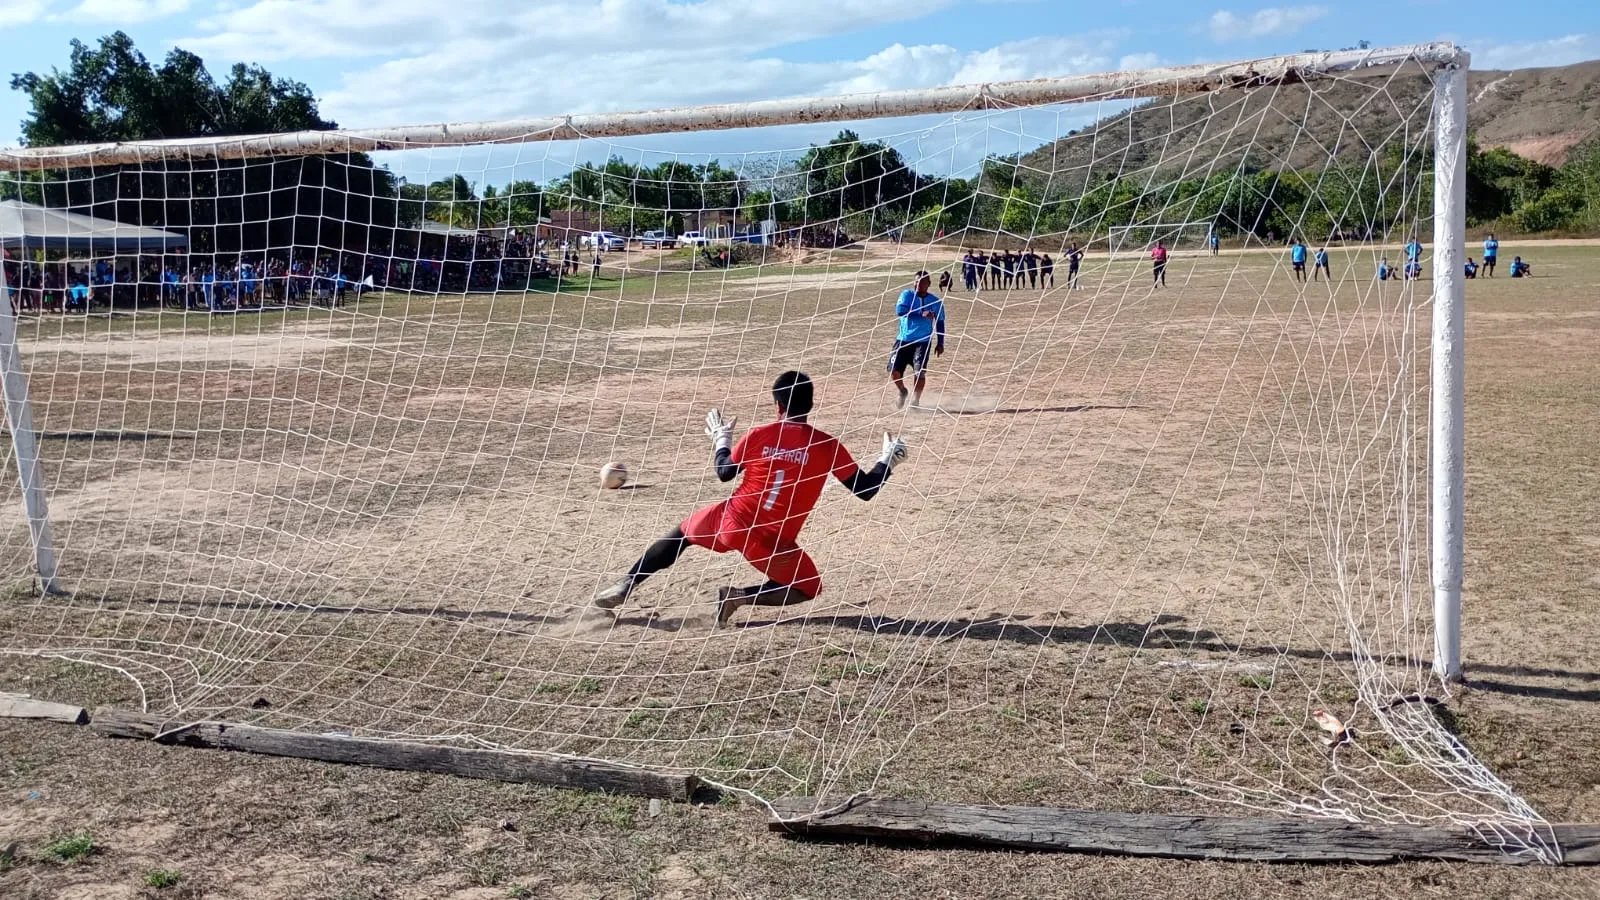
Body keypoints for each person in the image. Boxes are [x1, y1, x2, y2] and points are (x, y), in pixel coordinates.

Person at [591, 371, 909, 626]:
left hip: (733, 519)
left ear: (778, 406)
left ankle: (626, 584)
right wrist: (887, 460)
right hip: (772, 542)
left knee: (682, 535)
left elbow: (725, 473)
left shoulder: (758, 435)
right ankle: (738, 597)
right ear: (811, 404)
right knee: (808, 588)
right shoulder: (828, 446)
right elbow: (866, 491)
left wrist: (721, 440)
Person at [888, 271, 946, 409]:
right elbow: (900, 311)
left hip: (923, 342)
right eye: (916, 281)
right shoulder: (907, 295)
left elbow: (940, 322)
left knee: (920, 372)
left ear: (929, 284)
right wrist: (921, 313)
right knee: (893, 370)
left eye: (922, 282)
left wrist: (940, 343)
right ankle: (902, 391)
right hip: (903, 340)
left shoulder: (936, 302)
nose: (918, 284)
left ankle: (915, 401)